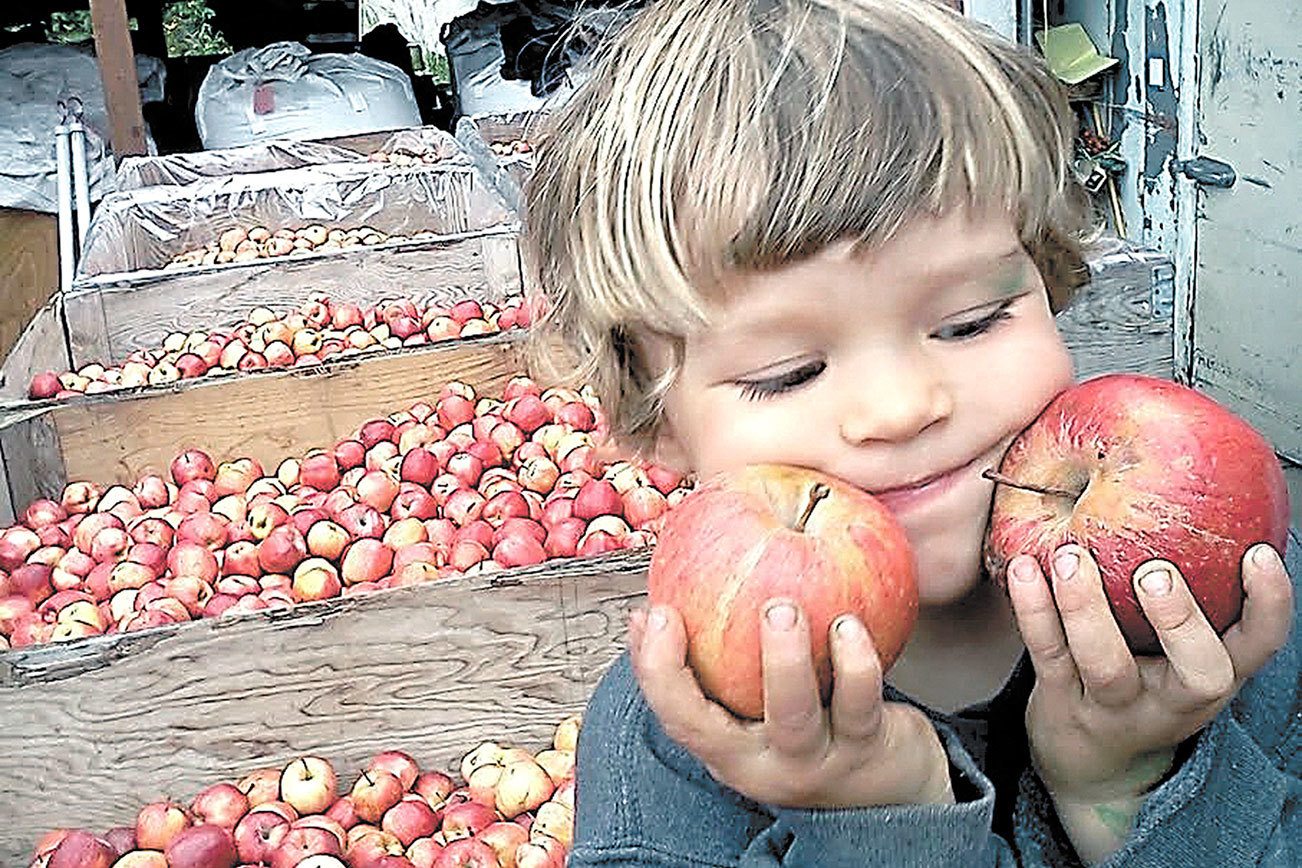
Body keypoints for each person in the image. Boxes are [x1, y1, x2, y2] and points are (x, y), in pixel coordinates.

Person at [521, 1, 1300, 865]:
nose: (902, 407)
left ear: (1046, 284)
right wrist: (888, 824)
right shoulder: (674, 747)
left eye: (970, 322)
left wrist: (1119, 786)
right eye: (789, 372)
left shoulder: (1224, 597)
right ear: (656, 424)